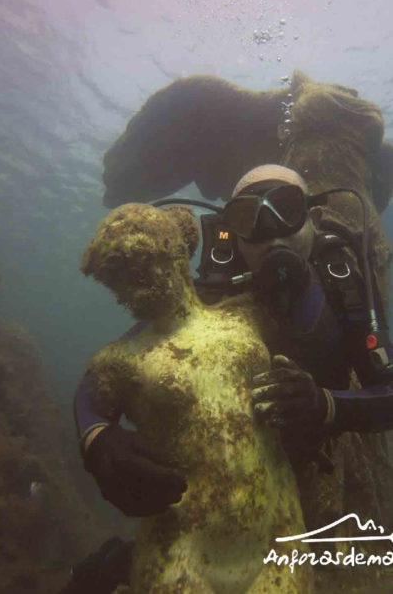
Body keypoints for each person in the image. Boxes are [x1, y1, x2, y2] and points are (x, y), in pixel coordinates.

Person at [62, 164, 393, 594]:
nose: (271, 234)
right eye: (248, 220)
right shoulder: (214, 294)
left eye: (286, 209)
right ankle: (119, 561)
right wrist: (98, 440)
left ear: (313, 219)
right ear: (233, 235)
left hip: (304, 461)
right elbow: (103, 375)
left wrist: (326, 406)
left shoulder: (343, 285)